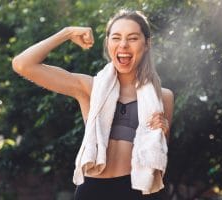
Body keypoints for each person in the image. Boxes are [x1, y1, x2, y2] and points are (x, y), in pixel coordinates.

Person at [12, 9, 174, 200]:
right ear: (108, 44)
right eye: (116, 37)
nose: (123, 44)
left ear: (146, 44)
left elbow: (159, 154)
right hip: (92, 190)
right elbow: (22, 64)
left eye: (132, 38)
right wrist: (67, 32)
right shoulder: (90, 88)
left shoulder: (162, 96)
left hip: (137, 191)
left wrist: (164, 131)